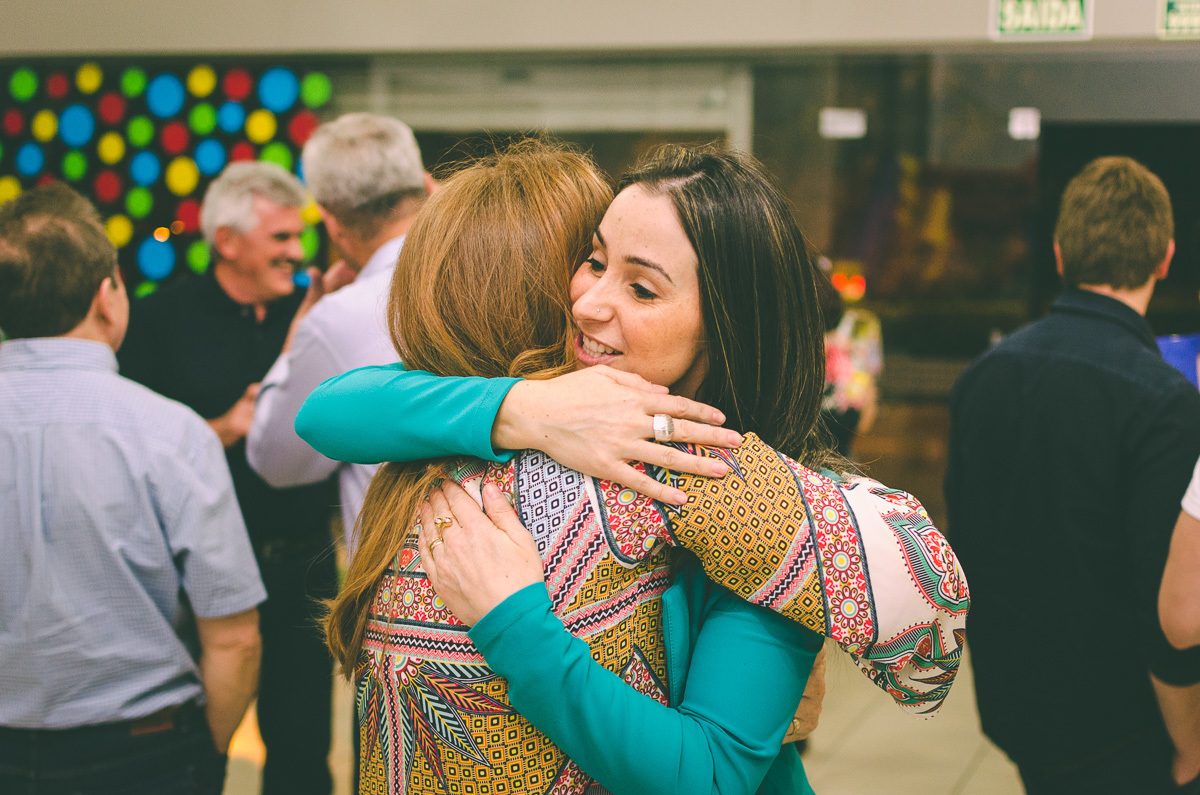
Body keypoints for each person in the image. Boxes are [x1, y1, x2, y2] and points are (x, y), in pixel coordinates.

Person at [301, 142, 968, 793]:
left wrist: (515, 623)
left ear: (727, 326)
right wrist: (526, 407)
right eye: (593, 260)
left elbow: (715, 771)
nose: (588, 302)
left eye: (642, 288)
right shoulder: (536, 417)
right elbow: (328, 410)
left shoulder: (721, 481)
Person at [946, 156, 1200, 794]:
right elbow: (1168, 608)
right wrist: (1191, 741)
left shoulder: (982, 379)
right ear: (1164, 258)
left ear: (1060, 255)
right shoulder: (1166, 402)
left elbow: (966, 546)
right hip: (1128, 725)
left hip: (1015, 704)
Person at [0, 184, 265, 794]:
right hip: (145, 754)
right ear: (107, 295)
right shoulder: (170, 433)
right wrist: (206, 761)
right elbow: (234, 639)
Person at [118, 162, 338, 795]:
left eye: (298, 237)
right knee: (192, 747)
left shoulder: (313, 313)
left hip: (302, 567)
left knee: (302, 753)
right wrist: (223, 427)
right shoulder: (157, 320)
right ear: (227, 242)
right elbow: (132, 454)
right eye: (280, 240)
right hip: (192, 579)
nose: (298, 254)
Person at [246, 113, 432, 550]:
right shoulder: (498, 275)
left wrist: (301, 327)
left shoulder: (336, 318)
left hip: (396, 591)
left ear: (332, 223)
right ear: (426, 185)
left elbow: (276, 460)